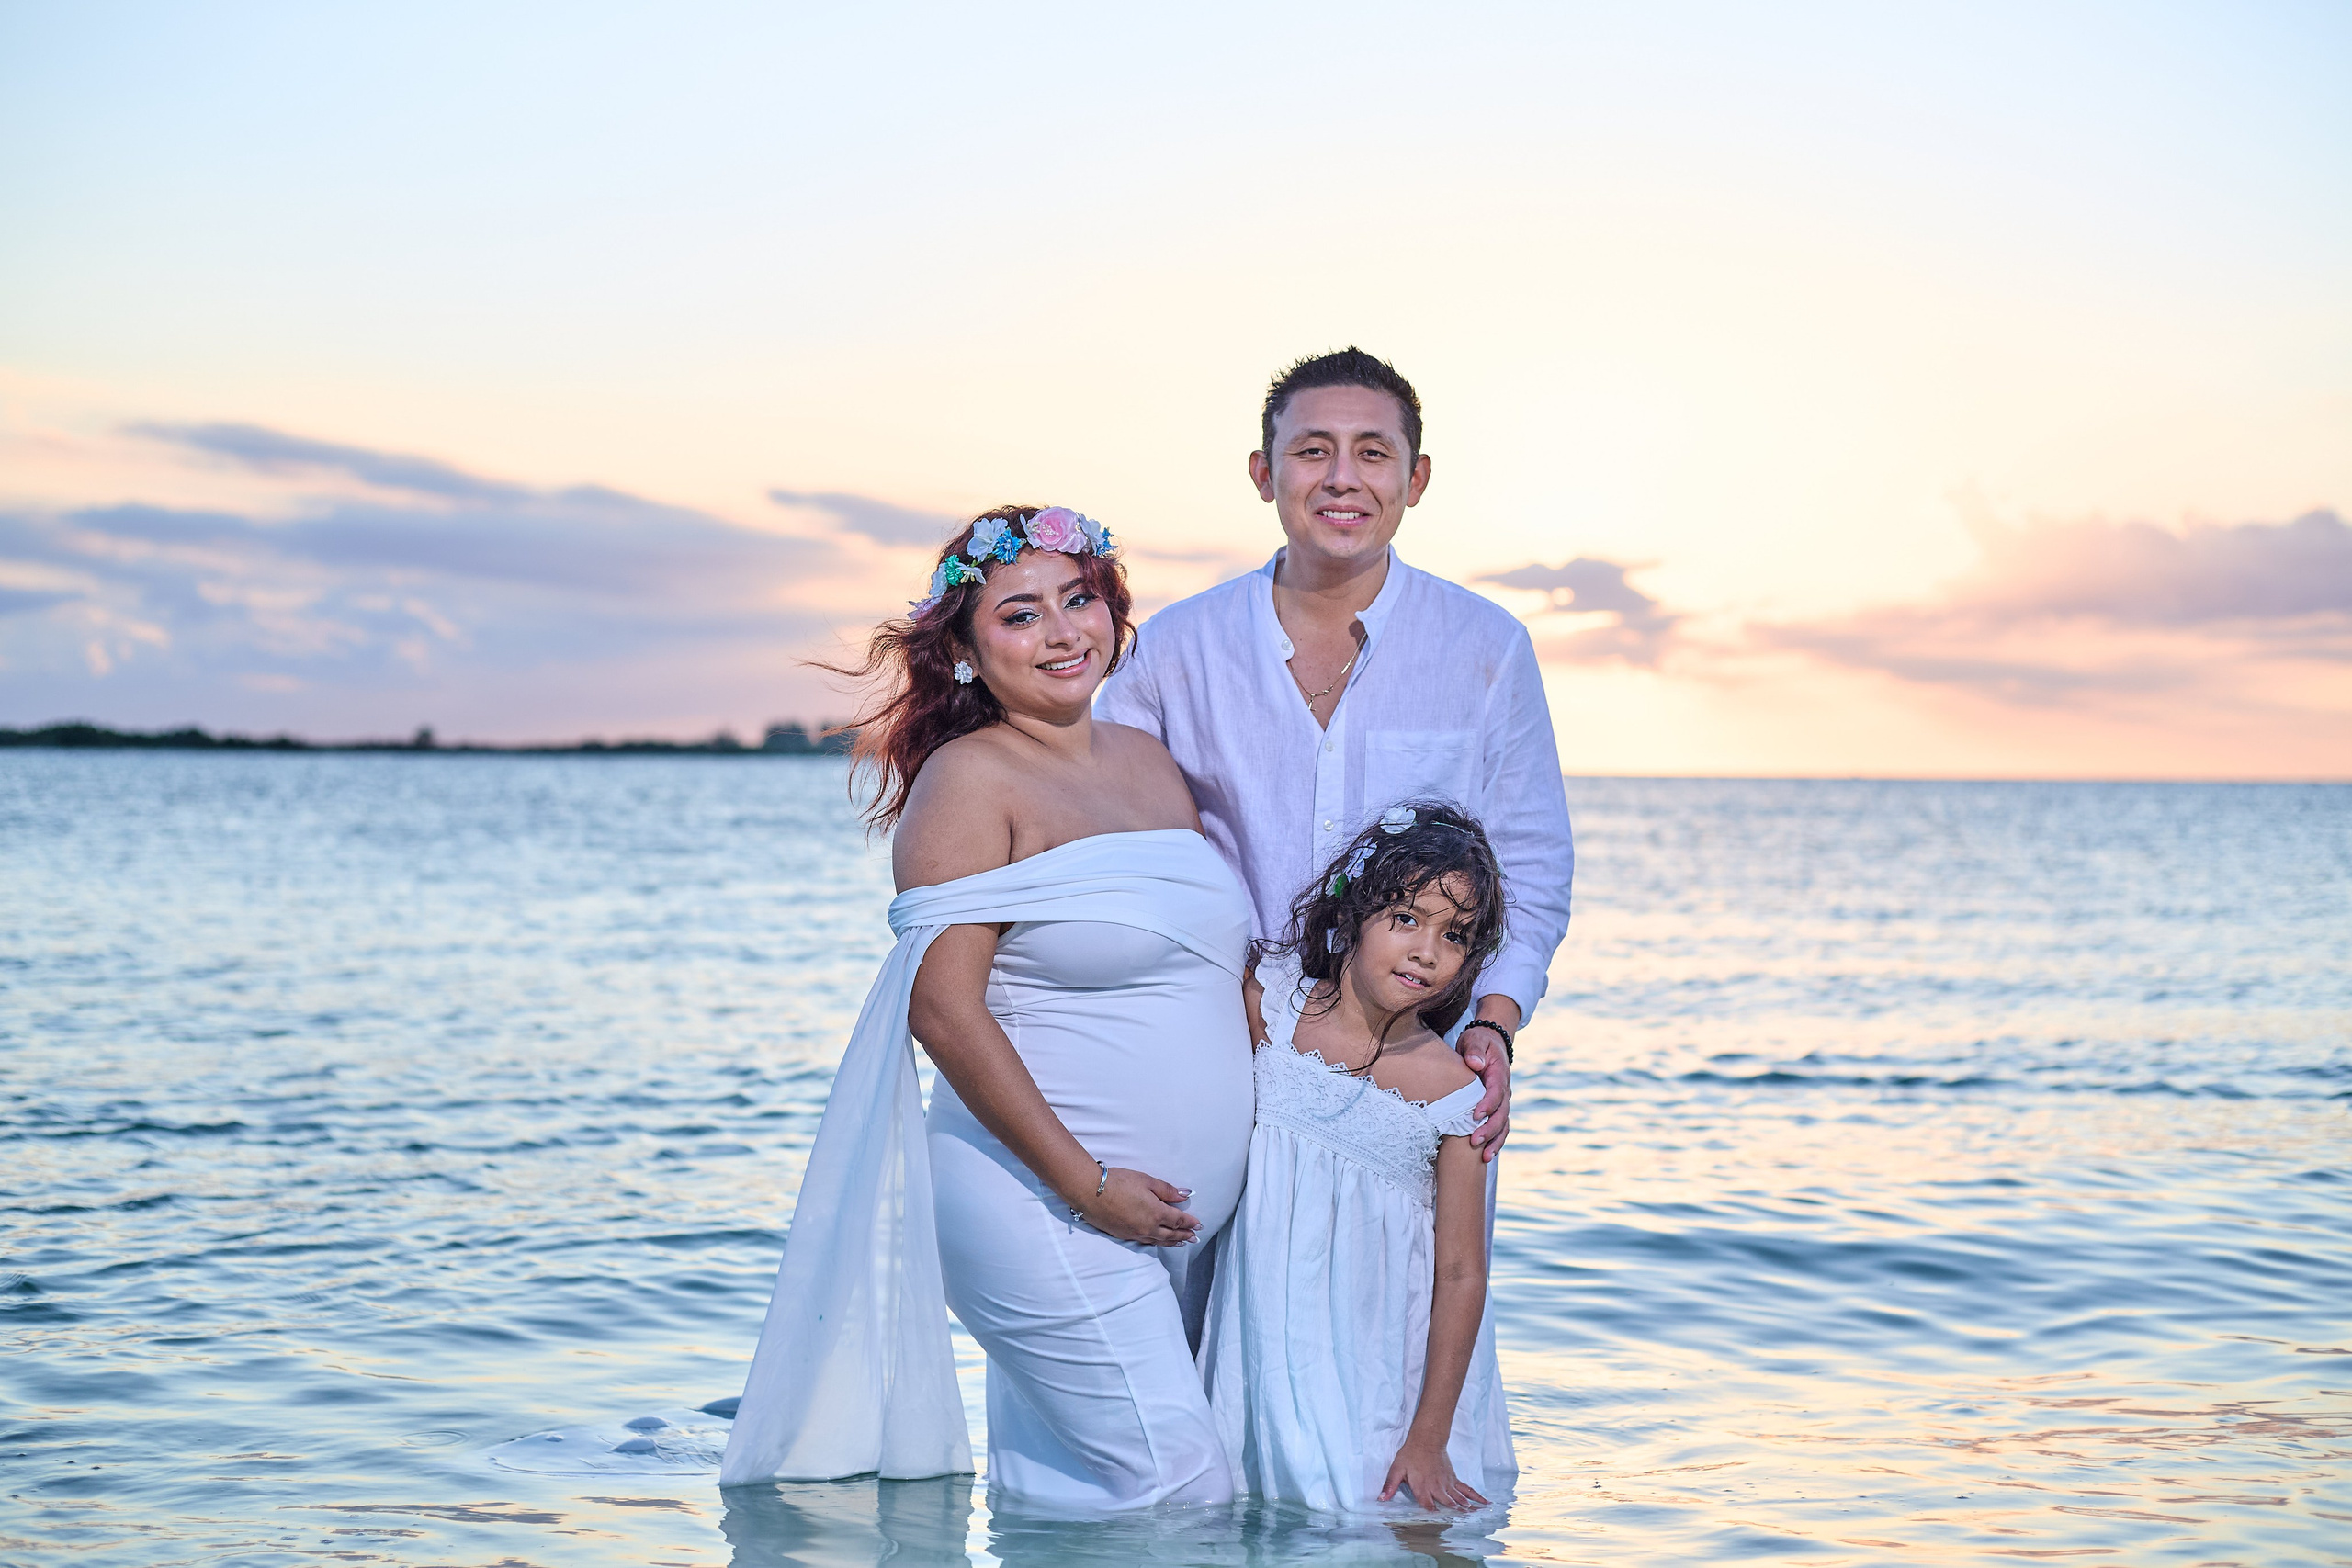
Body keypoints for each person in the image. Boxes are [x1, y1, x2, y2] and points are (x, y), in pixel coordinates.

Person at [719, 506, 1256, 1512]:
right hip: (1039, 1201)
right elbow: (943, 1012)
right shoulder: (968, 780)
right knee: (1186, 1491)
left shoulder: (1148, 763)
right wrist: (1086, 1184)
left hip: (1165, 1216)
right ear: (963, 652)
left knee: (1067, 1502)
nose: (1062, 633)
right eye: (1020, 615)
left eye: (1079, 599)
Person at [1095, 347, 1576, 1168]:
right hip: (1218, 1059)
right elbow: (1121, 851)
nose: (1343, 478)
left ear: (1416, 478)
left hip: (1416, 1068)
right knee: (1214, 1293)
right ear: (1263, 472)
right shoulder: (1176, 648)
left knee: (1419, 1291)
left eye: (1373, 452)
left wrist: (1495, 1020)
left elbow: (1531, 862)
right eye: (1313, 450)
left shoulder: (1487, 645)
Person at [1201, 802, 1519, 1514]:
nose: (1427, 951)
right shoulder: (1273, 1007)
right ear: (1351, 915)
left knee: (1358, 1519)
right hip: (1261, 1342)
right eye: (1406, 918)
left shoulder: (1453, 1097)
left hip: (1373, 1369)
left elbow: (1463, 1271)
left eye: (1455, 934)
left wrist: (1429, 1437)